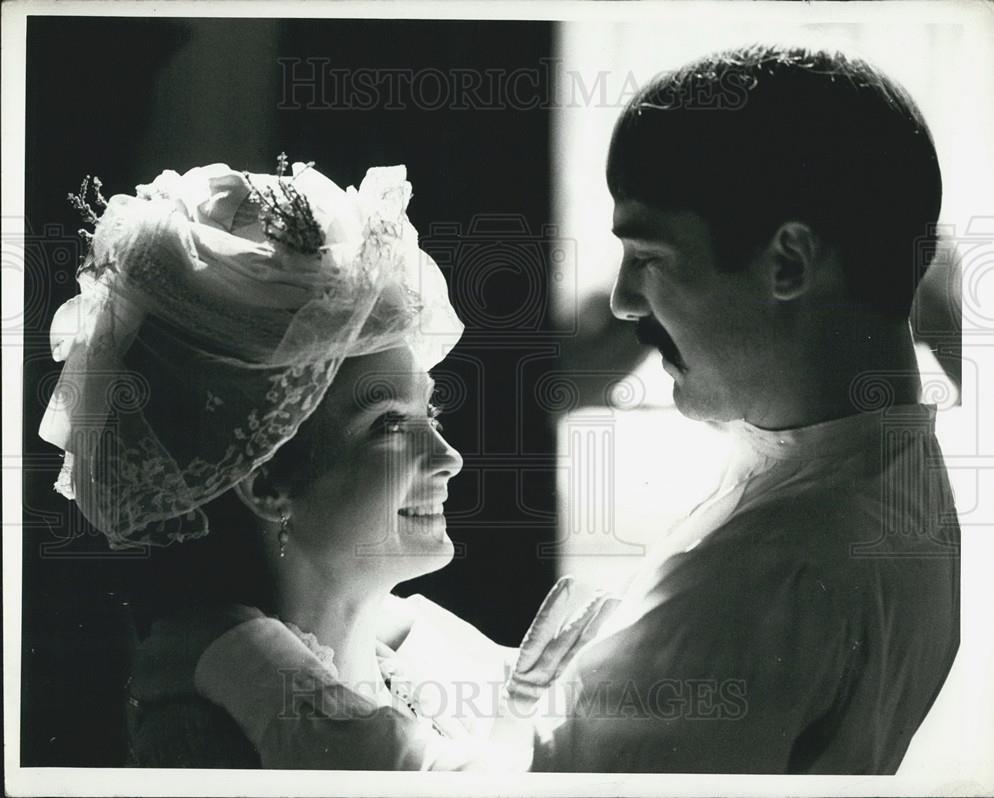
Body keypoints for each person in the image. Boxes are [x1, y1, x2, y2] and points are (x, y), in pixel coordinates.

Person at [131, 44, 960, 774]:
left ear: (788, 261)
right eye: (391, 420)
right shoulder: (896, 483)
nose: (628, 302)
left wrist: (249, 663)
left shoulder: (781, 564)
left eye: (648, 254)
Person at [40, 158, 610, 769]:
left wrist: (521, 710)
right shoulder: (214, 733)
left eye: (432, 417)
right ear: (266, 482)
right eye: (390, 425)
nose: (449, 458)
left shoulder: (419, 648)